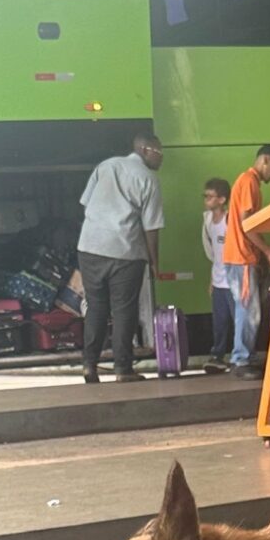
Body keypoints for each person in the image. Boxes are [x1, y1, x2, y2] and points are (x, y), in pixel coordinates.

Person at [76, 129, 163, 384]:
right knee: (124, 310)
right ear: (145, 150)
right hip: (125, 253)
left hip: (90, 248)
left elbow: (86, 203)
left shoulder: (106, 166)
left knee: (96, 307)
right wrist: (155, 262)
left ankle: (89, 365)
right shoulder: (148, 179)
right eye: (159, 153)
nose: (161, 159)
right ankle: (122, 369)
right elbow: (151, 228)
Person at [221, 145, 270, 374]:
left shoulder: (247, 182)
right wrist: (268, 252)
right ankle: (241, 359)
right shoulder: (249, 182)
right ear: (264, 160)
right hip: (241, 257)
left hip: (240, 255)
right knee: (249, 310)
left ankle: (244, 355)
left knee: (246, 308)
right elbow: (247, 225)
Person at [200, 177, 232, 372]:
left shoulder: (230, 219)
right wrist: (212, 279)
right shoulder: (208, 221)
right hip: (219, 279)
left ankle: (242, 356)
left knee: (239, 320)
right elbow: (213, 253)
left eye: (210, 196)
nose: (206, 200)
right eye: (205, 196)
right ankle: (217, 355)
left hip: (234, 279)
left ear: (221, 199)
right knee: (219, 321)